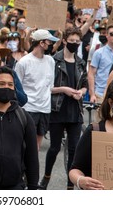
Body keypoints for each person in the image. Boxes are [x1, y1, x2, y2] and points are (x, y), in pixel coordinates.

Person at [38, 27, 87, 190]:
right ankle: (46, 176)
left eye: (77, 41)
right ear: (64, 41)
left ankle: (70, 184)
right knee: (55, 147)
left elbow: (85, 84)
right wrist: (64, 89)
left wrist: (81, 92)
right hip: (58, 109)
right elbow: (47, 86)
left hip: (75, 110)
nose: (75, 44)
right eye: (71, 41)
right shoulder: (54, 61)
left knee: (74, 148)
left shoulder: (81, 62)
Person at [15, 29, 59, 149]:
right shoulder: (23, 62)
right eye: (50, 42)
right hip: (28, 109)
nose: (52, 45)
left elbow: (50, 87)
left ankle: (33, 168)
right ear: (41, 43)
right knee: (24, 146)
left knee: (36, 147)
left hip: (45, 109)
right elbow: (16, 87)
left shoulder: (50, 61)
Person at [88, 25, 113, 105]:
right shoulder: (98, 53)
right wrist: (92, 94)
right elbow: (91, 74)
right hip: (100, 93)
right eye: (111, 34)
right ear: (107, 35)